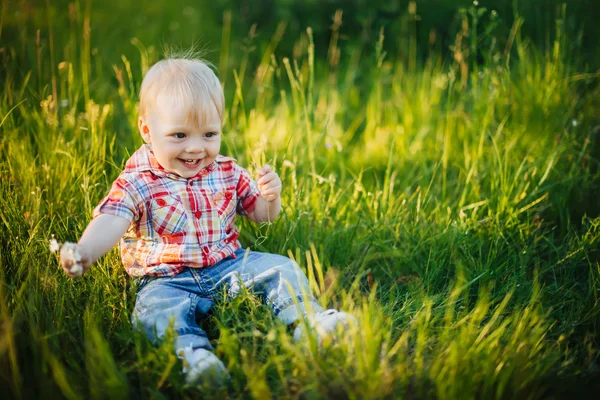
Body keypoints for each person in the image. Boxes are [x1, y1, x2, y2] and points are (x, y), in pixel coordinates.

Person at [59, 56, 354, 385]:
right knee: (154, 312)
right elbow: (113, 217)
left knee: (280, 268)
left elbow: (261, 215)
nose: (196, 148)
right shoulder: (139, 179)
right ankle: (194, 358)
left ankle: (309, 324)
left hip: (227, 263)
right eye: (180, 135)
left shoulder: (226, 171)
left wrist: (272, 198)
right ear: (147, 129)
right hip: (166, 278)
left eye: (209, 134)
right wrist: (85, 250)